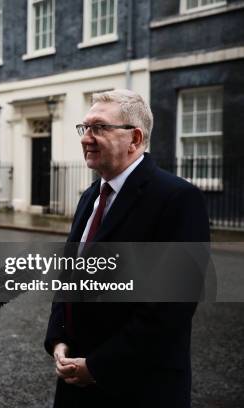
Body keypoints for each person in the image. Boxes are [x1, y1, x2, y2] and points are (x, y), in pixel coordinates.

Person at [44, 89, 210, 408]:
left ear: (134, 138)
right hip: (75, 384)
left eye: (99, 128)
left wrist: (97, 367)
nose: (86, 138)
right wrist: (58, 339)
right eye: (84, 127)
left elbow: (170, 309)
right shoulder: (90, 196)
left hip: (139, 387)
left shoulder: (177, 199)